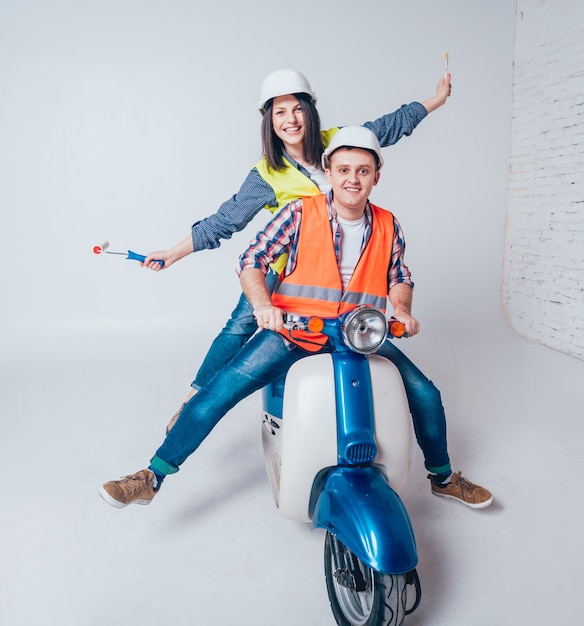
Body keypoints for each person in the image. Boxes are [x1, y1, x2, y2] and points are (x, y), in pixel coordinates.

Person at [100, 126, 493, 510]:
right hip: (294, 331)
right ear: (329, 171)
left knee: (425, 393)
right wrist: (263, 306)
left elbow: (398, 276)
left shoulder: (389, 223)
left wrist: (403, 310)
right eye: (343, 170)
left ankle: (443, 479)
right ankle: (152, 477)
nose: (352, 179)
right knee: (217, 393)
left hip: (357, 333)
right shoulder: (299, 213)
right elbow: (252, 260)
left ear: (376, 175)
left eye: (362, 170)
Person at [138, 68, 452, 431]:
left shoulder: (339, 143)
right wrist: (173, 252)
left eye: (297, 109)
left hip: (340, 285)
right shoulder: (267, 175)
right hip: (287, 276)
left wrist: (436, 100)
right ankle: (193, 401)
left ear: (310, 110)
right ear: (269, 121)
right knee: (239, 326)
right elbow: (225, 221)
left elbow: (392, 125)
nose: (291, 120)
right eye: (280, 112)